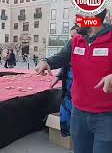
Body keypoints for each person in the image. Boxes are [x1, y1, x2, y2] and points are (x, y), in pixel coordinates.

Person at [36, 9, 112, 153]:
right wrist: (45, 62)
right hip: (79, 114)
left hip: (106, 116)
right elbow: (60, 57)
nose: (76, 19)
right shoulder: (76, 40)